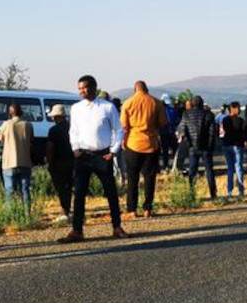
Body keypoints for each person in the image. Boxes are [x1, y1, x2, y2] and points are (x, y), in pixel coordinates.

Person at [59, 75, 128, 243]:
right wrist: (75, 148)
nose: (82, 91)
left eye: (85, 87)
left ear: (94, 87)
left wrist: (113, 151)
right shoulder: (76, 108)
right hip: (82, 156)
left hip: (102, 155)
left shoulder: (107, 107)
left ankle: (117, 227)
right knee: (80, 193)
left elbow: (118, 130)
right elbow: (73, 130)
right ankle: (77, 230)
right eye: (80, 88)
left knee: (110, 192)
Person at [120, 80, 167, 218]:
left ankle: (132, 210)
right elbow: (163, 123)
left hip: (133, 143)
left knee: (132, 178)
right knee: (149, 178)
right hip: (151, 144)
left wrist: (124, 140)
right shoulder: (156, 102)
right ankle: (148, 209)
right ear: (146, 89)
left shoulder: (128, 103)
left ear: (135, 89)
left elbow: (124, 125)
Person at [178, 95, 219, 199]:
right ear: (202, 103)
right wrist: (210, 146)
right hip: (206, 147)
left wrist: (188, 144)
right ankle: (213, 194)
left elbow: (182, 130)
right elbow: (212, 132)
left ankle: (191, 194)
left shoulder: (186, 114)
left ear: (192, 104)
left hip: (192, 147)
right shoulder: (209, 114)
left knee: (192, 170)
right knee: (209, 170)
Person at [0, 102, 35, 211]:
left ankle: (11, 214)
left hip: (9, 162)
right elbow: (31, 140)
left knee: (9, 190)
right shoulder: (28, 125)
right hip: (25, 161)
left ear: (10, 113)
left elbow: (1, 139)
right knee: (25, 189)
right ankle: (27, 213)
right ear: (21, 112)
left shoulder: (6, 124)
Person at [45, 103, 74, 225]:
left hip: (58, 163)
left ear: (56, 117)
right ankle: (69, 210)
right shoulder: (72, 127)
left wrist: (50, 163)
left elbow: (50, 148)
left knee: (61, 188)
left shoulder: (53, 130)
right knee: (69, 186)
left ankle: (64, 210)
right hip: (72, 161)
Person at [221, 102, 247, 198]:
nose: (240, 110)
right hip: (237, 145)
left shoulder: (225, 120)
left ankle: (229, 191)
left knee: (230, 168)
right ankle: (241, 190)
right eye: (238, 108)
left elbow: (225, 130)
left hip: (227, 144)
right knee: (239, 167)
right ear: (233, 109)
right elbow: (244, 132)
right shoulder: (241, 120)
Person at [159, 93, 180, 173]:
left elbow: (176, 120)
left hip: (170, 132)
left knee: (173, 150)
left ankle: (174, 166)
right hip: (164, 133)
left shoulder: (171, 109)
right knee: (165, 151)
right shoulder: (160, 110)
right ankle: (166, 166)